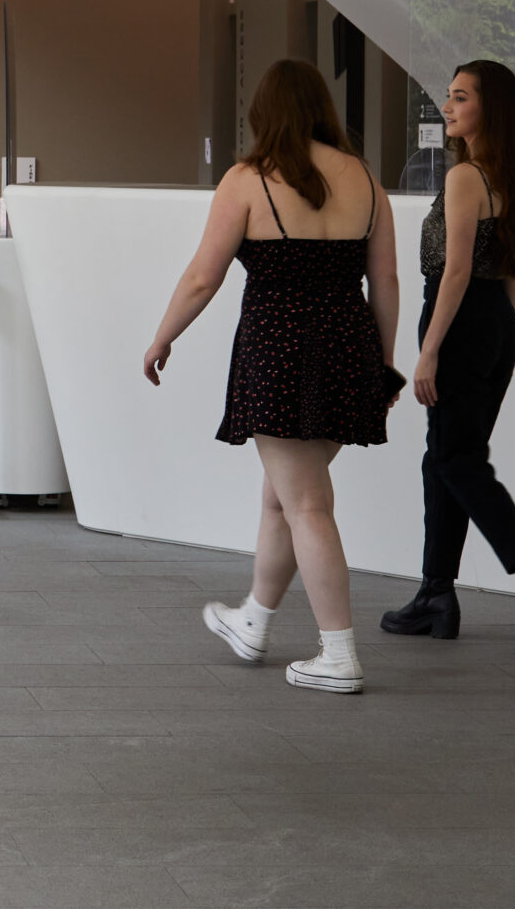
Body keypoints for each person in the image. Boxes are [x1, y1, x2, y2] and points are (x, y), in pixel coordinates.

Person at [144, 59, 401, 694]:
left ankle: (338, 653)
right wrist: (382, 367)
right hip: (348, 351)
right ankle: (253, 621)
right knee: (283, 495)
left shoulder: (248, 180)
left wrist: (162, 335)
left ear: (264, 111)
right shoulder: (366, 180)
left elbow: (204, 276)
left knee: (306, 503)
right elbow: (387, 281)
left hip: (280, 353)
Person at [381, 59, 515, 654]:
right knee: (445, 457)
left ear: (487, 108)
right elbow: (513, 268)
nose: (448, 108)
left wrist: (428, 353)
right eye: (448, 98)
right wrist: (500, 329)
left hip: (460, 322)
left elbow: (455, 270)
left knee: (457, 459)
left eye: (460, 98)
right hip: (497, 324)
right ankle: (435, 595)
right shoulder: (511, 174)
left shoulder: (465, 177)